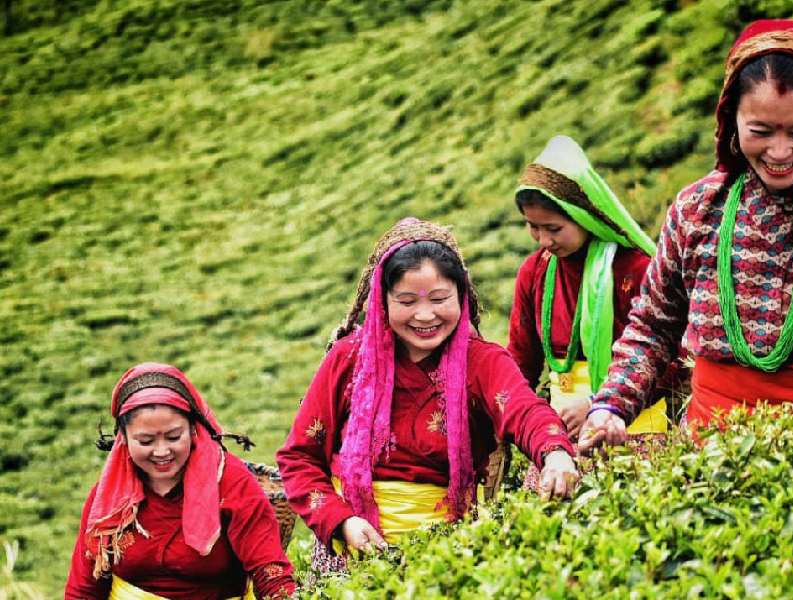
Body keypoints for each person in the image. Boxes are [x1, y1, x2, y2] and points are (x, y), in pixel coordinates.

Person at [578, 19, 793, 449]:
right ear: (732, 122)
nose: (780, 152)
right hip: (712, 453)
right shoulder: (697, 210)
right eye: (760, 132)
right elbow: (654, 325)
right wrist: (611, 406)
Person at [277, 217, 579, 572]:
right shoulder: (348, 359)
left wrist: (556, 453)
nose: (424, 315)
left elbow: (524, 410)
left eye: (439, 299)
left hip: (445, 554)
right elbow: (299, 456)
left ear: (461, 297)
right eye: (406, 301)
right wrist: (341, 521)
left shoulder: (481, 361)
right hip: (350, 553)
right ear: (382, 302)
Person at [65, 363, 296, 599]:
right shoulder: (110, 498)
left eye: (174, 437)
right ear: (123, 438)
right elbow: (84, 588)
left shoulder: (230, 482)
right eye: (145, 441)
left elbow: (270, 569)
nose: (161, 451)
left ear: (193, 429)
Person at [508, 135, 673, 438]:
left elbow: (669, 361)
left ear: (584, 216)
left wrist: (598, 403)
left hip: (635, 431)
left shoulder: (633, 269)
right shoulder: (535, 272)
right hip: (563, 432)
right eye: (533, 227)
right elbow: (521, 361)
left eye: (554, 228)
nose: (544, 241)